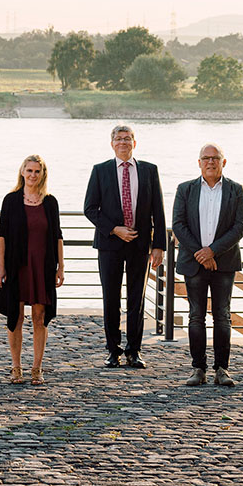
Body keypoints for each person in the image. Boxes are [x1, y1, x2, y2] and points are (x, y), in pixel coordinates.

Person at [83, 125, 165, 368]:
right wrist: (114, 229)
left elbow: (158, 211)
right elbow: (90, 208)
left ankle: (134, 350)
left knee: (136, 300)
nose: (123, 142)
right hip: (110, 244)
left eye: (127, 139)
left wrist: (158, 245)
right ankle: (113, 350)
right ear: (112, 144)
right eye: (119, 139)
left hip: (140, 244)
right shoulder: (101, 171)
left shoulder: (149, 171)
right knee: (111, 298)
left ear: (134, 143)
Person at [172, 143, 243, 387]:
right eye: (206, 158)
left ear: (224, 162)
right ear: (199, 162)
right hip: (194, 263)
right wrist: (201, 253)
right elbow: (179, 224)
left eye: (215, 158)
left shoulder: (236, 190)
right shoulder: (185, 189)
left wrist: (212, 251)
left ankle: (222, 369)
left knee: (222, 316)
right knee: (196, 316)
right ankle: (198, 369)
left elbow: (240, 226)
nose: (211, 162)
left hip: (223, 263)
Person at [0, 155, 64, 385]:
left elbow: (57, 236)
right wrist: (0, 265)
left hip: (42, 266)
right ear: (22, 172)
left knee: (39, 318)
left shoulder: (50, 201)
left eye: (37, 171)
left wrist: (60, 267)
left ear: (43, 174)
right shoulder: (11, 200)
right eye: (29, 170)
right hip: (17, 265)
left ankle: (37, 368)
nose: (33, 175)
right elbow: (1, 234)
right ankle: (16, 367)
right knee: (16, 317)